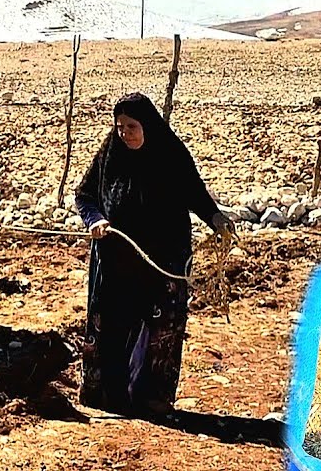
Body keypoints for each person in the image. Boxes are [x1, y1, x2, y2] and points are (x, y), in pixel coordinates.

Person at [74, 92, 234, 417]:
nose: (124, 133)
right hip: (114, 261)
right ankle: (106, 397)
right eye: (119, 126)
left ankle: (150, 400)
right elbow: (85, 194)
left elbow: (195, 194)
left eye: (131, 126)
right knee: (113, 327)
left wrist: (216, 219)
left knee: (158, 328)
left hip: (162, 261)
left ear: (147, 125)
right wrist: (95, 219)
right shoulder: (110, 153)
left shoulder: (171, 155)